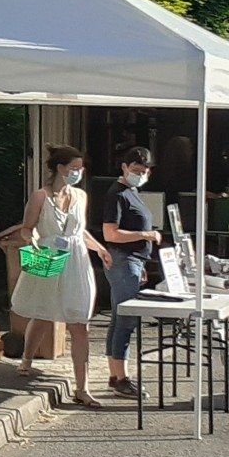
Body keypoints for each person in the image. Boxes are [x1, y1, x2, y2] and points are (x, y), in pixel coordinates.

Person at [7, 145, 111, 407]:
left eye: (80, 168)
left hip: (76, 261)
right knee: (43, 312)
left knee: (79, 321)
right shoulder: (40, 196)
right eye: (74, 168)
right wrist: (33, 241)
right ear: (60, 168)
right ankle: (26, 360)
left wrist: (100, 249)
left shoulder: (81, 196)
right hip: (48, 256)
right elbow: (26, 228)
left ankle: (82, 387)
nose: (78, 173)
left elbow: (79, 231)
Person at [98, 145, 161, 400]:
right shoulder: (117, 194)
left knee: (119, 318)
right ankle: (122, 378)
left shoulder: (132, 192)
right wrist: (146, 235)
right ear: (124, 167)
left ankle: (116, 375)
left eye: (144, 171)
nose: (140, 174)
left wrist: (141, 263)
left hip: (133, 262)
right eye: (135, 170)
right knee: (126, 319)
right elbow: (110, 234)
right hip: (123, 261)